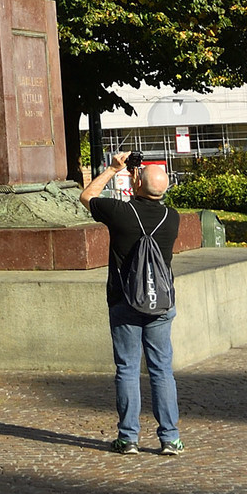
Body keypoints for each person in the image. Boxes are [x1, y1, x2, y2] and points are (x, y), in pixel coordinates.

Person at [79, 148, 183, 455]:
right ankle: (170, 438)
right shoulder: (172, 217)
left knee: (127, 368)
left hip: (125, 300)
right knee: (162, 369)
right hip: (161, 302)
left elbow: (87, 196)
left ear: (136, 184)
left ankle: (128, 438)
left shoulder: (121, 213)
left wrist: (114, 169)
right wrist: (140, 181)